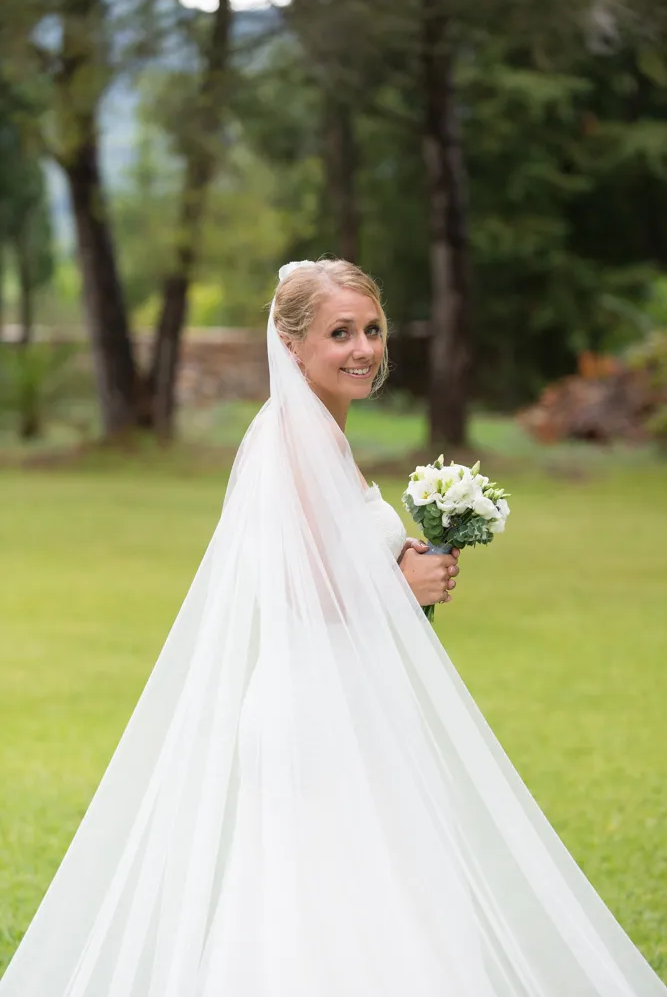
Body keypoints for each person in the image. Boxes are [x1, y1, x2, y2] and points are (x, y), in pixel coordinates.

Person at [0, 258, 665, 997]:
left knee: (359, 900)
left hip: (343, 698)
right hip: (317, 713)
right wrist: (398, 584)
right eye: (338, 333)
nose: (362, 349)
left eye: (371, 330)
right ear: (292, 347)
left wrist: (402, 553)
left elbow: (329, 558)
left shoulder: (319, 434)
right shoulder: (294, 441)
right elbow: (304, 591)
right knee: (334, 908)